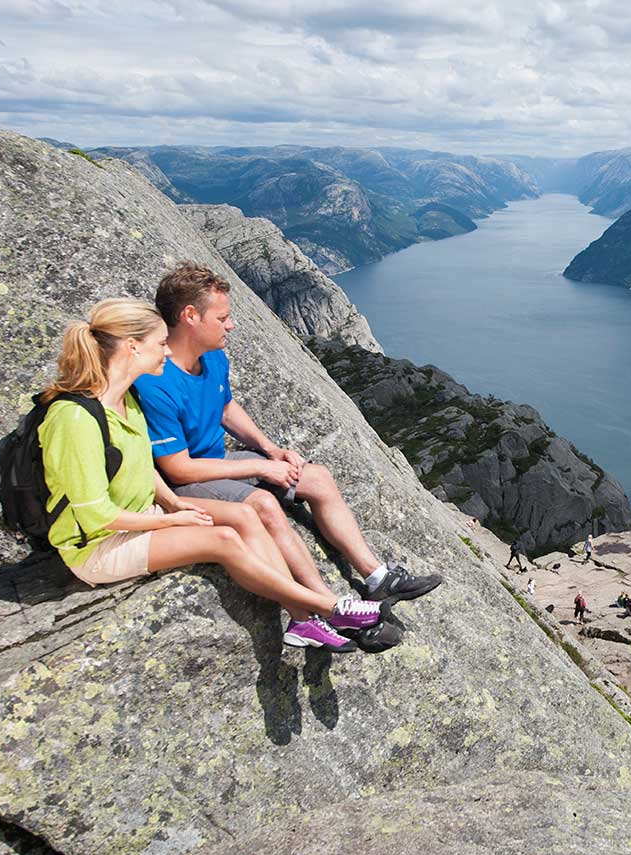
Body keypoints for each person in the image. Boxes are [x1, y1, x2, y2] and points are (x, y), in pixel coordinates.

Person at [37, 299, 386, 651]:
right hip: (99, 546)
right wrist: (170, 522)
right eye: (160, 344)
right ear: (132, 347)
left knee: (246, 514)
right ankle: (326, 608)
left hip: (142, 515)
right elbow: (94, 514)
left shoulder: (125, 402)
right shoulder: (75, 419)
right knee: (224, 541)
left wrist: (173, 504)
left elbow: (142, 467)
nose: (165, 352)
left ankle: (301, 621)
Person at [134, 263, 441, 607]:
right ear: (190, 316)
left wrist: (271, 450)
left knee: (318, 478)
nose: (231, 325)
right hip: (186, 482)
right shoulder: (155, 381)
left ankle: (376, 578)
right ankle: (327, 606)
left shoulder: (212, 357)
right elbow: (179, 470)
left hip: (218, 462)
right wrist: (262, 469)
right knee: (265, 504)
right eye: (221, 319)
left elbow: (225, 408)